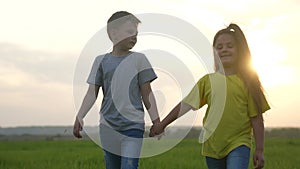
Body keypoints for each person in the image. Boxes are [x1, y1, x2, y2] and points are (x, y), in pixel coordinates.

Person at [149, 23, 270, 169]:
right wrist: (162, 124)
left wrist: (260, 149)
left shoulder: (248, 82)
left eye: (229, 46)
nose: (224, 50)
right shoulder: (207, 81)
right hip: (212, 146)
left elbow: (256, 118)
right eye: (219, 47)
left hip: (239, 142)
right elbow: (185, 105)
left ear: (239, 50)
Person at [73, 11, 160, 169]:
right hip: (108, 127)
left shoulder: (139, 60)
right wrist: (80, 116)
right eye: (129, 32)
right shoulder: (101, 61)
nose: (134, 37)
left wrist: (156, 121)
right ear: (114, 33)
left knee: (129, 166)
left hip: (133, 126)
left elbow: (147, 93)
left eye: (136, 34)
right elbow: (92, 92)